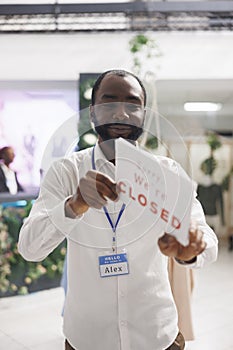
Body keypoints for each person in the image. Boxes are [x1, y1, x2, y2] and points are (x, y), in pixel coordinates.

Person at [18, 69, 218, 350]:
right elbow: (30, 248)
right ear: (92, 113)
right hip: (87, 339)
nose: (121, 114)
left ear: (143, 114)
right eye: (109, 102)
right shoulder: (66, 172)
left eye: (132, 104)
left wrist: (190, 252)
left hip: (157, 336)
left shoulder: (167, 173)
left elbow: (208, 243)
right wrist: (74, 205)